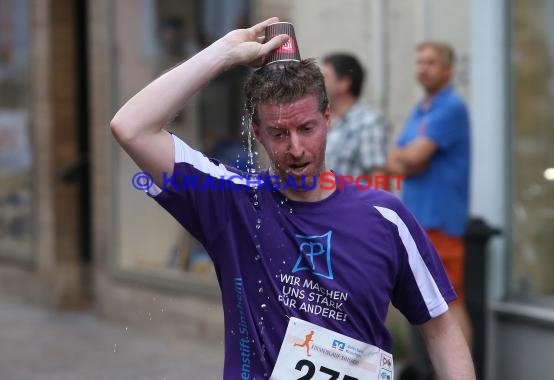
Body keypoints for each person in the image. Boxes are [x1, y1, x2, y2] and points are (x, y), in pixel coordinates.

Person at [111, 18, 475, 380]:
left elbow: (440, 327)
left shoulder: (385, 216)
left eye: (306, 128)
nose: (296, 148)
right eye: (278, 133)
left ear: (327, 118)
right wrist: (223, 53)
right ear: (258, 133)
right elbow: (131, 127)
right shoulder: (233, 202)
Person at [386, 41, 472, 375]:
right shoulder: (422, 108)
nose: (423, 68)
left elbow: (413, 158)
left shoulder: (450, 107)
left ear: (448, 70)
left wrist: (407, 159)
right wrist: (406, 160)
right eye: (419, 61)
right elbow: (398, 158)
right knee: (430, 305)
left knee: (450, 306)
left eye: (431, 62)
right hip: (421, 223)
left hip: (442, 223)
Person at [321, 53, 388, 180]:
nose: (318, 83)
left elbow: (379, 178)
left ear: (344, 83)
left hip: (354, 200)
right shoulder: (322, 118)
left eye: (325, 77)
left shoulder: (369, 122)